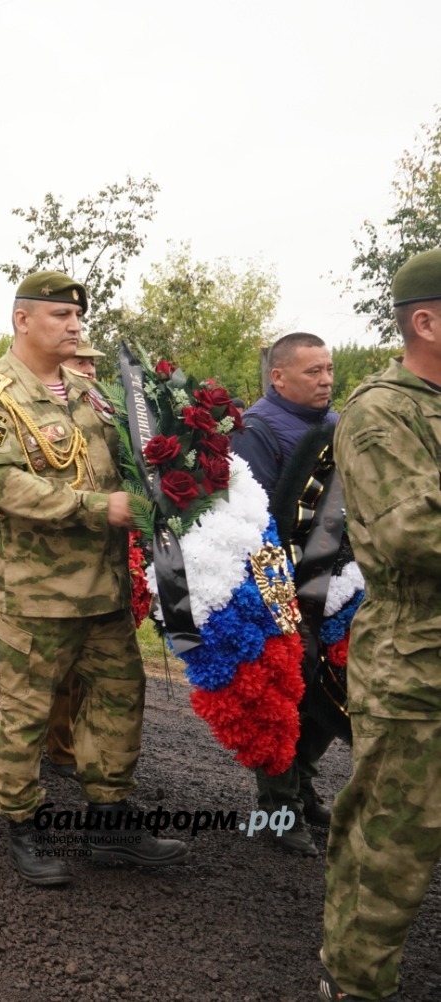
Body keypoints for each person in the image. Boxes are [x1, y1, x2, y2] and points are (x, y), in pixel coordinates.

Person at [0, 271, 187, 886]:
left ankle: (109, 824)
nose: (75, 325)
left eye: (78, 316)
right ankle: (22, 826)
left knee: (118, 702)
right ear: (22, 321)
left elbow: (133, 465)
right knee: (26, 714)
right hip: (31, 598)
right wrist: (95, 507)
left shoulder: (90, 394)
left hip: (103, 592)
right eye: (60, 316)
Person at [319, 249, 441, 1002]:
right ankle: (355, 982)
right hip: (418, 663)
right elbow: (409, 533)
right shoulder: (381, 412)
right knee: (391, 843)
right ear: (426, 321)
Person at [228, 331, 346, 857]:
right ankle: (277, 808)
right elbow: (252, 523)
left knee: (329, 684)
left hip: (335, 579)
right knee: (286, 685)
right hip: (275, 578)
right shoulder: (257, 431)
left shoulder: (335, 425)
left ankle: (303, 784)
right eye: (312, 372)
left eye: (327, 370)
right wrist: (280, 606)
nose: (325, 380)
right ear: (278, 377)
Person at [41, 338, 110, 779]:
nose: (89, 368)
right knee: (60, 673)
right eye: (81, 360)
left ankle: (85, 747)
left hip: (103, 562)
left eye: (92, 361)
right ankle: (61, 747)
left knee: (97, 672)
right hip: (55, 566)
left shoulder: (100, 406)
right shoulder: (35, 409)